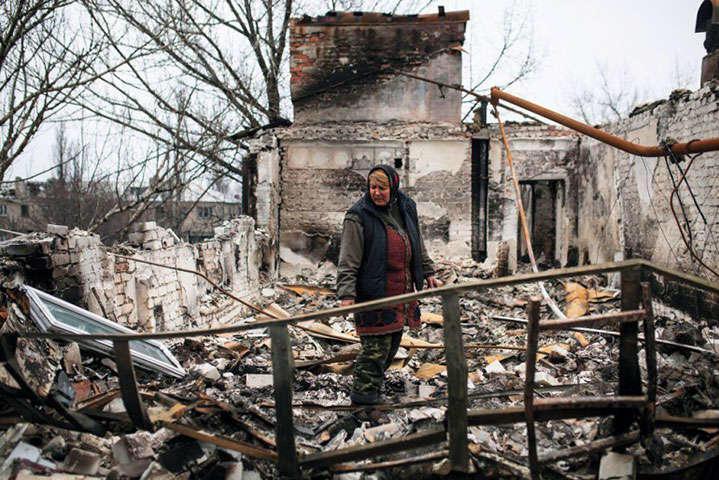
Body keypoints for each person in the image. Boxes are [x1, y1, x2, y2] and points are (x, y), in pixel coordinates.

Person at [337, 165, 439, 405]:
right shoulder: (358, 216)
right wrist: (346, 294)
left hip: (400, 291)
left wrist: (428, 269)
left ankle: (374, 393)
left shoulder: (405, 206)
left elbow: (416, 242)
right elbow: (348, 259)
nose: (376, 192)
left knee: (392, 345)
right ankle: (362, 402)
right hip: (374, 294)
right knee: (374, 350)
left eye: (382, 188)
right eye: (372, 187)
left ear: (392, 188)